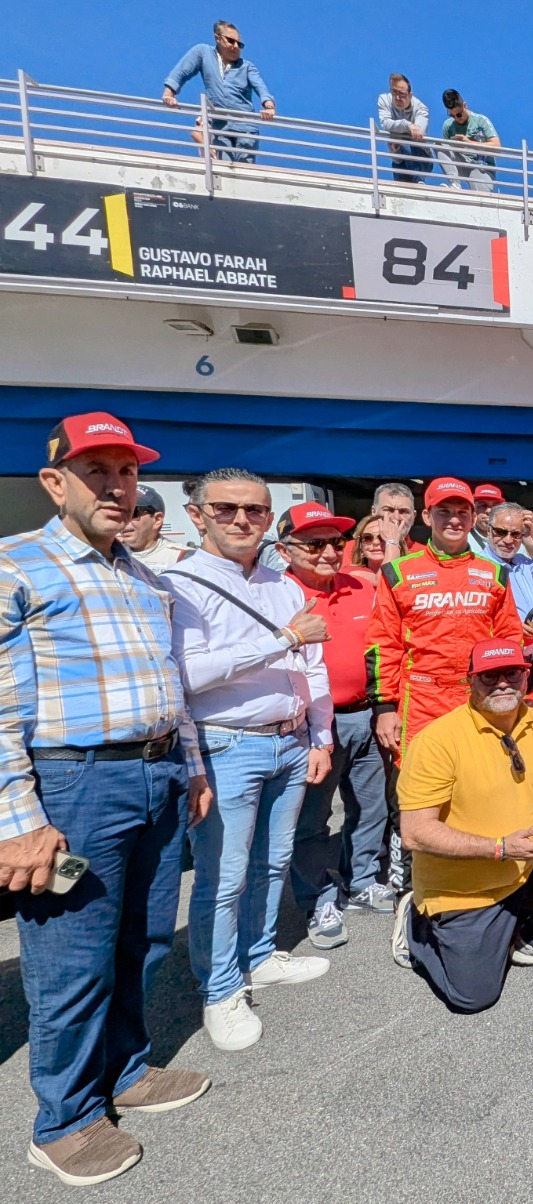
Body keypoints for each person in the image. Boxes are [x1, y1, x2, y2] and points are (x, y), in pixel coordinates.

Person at [1, 412, 214, 1187]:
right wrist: (17, 822)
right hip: (74, 782)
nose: (117, 486)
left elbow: (171, 682)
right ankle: (63, 1121)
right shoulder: (14, 566)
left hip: (154, 776)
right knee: (72, 962)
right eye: (98, 470)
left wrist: (189, 765)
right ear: (55, 482)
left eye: (126, 471)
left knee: (145, 940)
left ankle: (124, 1072)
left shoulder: (142, 574)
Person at [163, 468, 334, 1052]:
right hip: (227, 743)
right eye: (227, 509)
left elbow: (312, 665)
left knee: (274, 861)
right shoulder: (179, 582)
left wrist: (319, 735)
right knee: (224, 875)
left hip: (290, 739)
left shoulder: (281, 582)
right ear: (198, 514)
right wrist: (281, 639)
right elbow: (187, 674)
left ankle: (259, 956)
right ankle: (219, 988)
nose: (242, 520)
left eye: (255, 511)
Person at [391, 640, 533, 1012]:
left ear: (526, 675)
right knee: (473, 997)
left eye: (512, 673)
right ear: (471, 681)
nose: (502, 683)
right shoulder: (437, 740)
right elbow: (416, 832)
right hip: (466, 886)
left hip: (526, 857)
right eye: (489, 675)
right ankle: (416, 925)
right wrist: (500, 848)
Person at [278, 504, 394, 953]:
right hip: (309, 726)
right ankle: (316, 898)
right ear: (286, 547)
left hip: (367, 714)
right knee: (311, 820)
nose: (327, 551)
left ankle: (362, 878)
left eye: (334, 542)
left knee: (370, 807)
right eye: (313, 543)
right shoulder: (278, 593)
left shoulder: (363, 586)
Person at [366, 476, 524, 762]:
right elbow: (382, 644)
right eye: (444, 511)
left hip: (479, 696)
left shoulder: (494, 573)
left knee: (480, 781)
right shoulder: (399, 573)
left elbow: (510, 638)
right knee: (421, 789)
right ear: (427, 516)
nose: (454, 520)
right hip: (421, 700)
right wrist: (385, 708)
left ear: (475, 518)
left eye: (463, 512)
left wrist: (508, 692)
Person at [161, 20, 275, 164]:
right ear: (218, 38)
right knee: (224, 168)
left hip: (245, 126)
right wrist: (169, 93)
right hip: (220, 125)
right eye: (231, 41)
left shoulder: (246, 67)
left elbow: (260, 86)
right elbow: (183, 70)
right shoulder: (204, 53)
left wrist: (269, 106)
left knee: (245, 168)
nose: (235, 46)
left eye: (239, 44)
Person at [342, 482, 420, 570]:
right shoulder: (343, 551)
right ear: (373, 512)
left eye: (403, 511)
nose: (396, 518)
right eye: (388, 510)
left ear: (414, 516)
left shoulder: (426, 554)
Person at [378, 73, 433, 184]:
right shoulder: (384, 99)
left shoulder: (421, 108)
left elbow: (418, 133)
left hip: (422, 159)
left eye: (402, 94)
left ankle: (418, 181)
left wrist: (409, 128)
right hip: (399, 157)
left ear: (410, 95)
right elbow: (386, 123)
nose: (397, 97)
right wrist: (407, 125)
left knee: (408, 140)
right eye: (394, 92)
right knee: (401, 185)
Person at [439, 89, 499, 191]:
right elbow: (445, 151)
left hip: (481, 167)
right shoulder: (448, 126)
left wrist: (469, 143)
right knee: (439, 144)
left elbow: (497, 147)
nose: (456, 118)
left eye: (458, 114)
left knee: (480, 200)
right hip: (461, 163)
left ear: (465, 106)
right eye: (452, 115)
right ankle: (455, 184)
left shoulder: (480, 120)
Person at [120, 485, 189, 572]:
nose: (124, 520)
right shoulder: (107, 556)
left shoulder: (183, 558)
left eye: (134, 513)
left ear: (157, 519)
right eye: (120, 513)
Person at [347, 515, 388, 583]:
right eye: (367, 538)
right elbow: (383, 581)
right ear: (360, 547)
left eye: (383, 537)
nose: (375, 542)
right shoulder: (350, 572)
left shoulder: (409, 570)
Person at [469, 483, 503, 553]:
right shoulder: (461, 540)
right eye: (482, 505)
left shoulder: (511, 540)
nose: (489, 511)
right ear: (473, 510)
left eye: (495, 506)